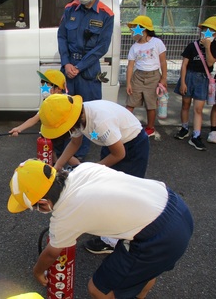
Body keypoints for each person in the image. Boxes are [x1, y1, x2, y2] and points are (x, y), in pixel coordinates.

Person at [7, 159, 193, 299]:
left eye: (34, 207)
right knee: (142, 273)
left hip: (159, 238)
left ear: (44, 203)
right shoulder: (83, 168)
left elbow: (50, 254)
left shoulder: (65, 216)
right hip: (176, 206)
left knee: (98, 290)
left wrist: (37, 271)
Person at [38, 94, 150, 253]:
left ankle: (113, 241)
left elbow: (119, 154)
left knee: (122, 193)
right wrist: (57, 166)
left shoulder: (100, 121)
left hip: (132, 147)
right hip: (112, 143)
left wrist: (91, 170)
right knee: (107, 188)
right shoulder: (76, 116)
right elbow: (75, 143)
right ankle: (109, 229)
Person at [58, 0, 114, 159]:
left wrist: (79, 66)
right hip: (68, 67)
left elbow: (102, 46)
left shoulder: (106, 14)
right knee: (65, 110)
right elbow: (61, 36)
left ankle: (79, 155)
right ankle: (62, 152)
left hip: (88, 70)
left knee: (87, 113)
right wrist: (66, 62)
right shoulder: (70, 8)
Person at [9, 70, 81, 167]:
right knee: (52, 150)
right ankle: (55, 170)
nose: (44, 88)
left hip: (68, 133)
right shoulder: (47, 102)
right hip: (55, 133)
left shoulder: (65, 100)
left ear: (59, 88)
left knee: (67, 155)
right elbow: (35, 118)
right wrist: (19, 128)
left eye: (47, 85)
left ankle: (82, 170)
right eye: (42, 84)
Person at [174, 16, 216, 151]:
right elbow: (184, 65)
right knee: (185, 104)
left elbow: (210, 62)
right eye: (207, 29)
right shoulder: (192, 46)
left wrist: (207, 46)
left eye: (213, 31)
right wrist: (183, 82)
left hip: (203, 79)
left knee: (198, 109)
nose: (209, 33)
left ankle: (196, 136)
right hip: (189, 76)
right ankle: (184, 128)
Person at [126, 15, 168, 137]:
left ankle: (150, 128)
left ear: (143, 29)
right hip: (138, 76)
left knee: (151, 105)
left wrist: (164, 78)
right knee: (130, 103)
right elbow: (130, 66)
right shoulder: (134, 46)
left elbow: (163, 61)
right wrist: (128, 83)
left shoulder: (157, 42)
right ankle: (126, 126)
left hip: (153, 76)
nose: (132, 31)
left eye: (134, 28)